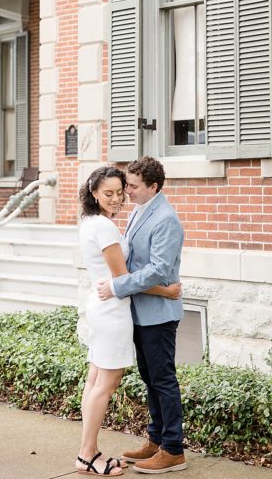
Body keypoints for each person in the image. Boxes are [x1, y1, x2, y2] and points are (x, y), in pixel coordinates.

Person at [76, 165, 181, 476]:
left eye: (128, 189)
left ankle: (172, 448)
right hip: (117, 308)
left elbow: (156, 268)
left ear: (154, 186)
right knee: (108, 383)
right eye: (112, 192)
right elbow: (123, 274)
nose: (124, 195)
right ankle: (91, 452)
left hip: (145, 313)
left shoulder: (163, 219)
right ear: (93, 192)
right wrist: (166, 291)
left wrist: (163, 291)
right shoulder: (113, 222)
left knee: (159, 380)